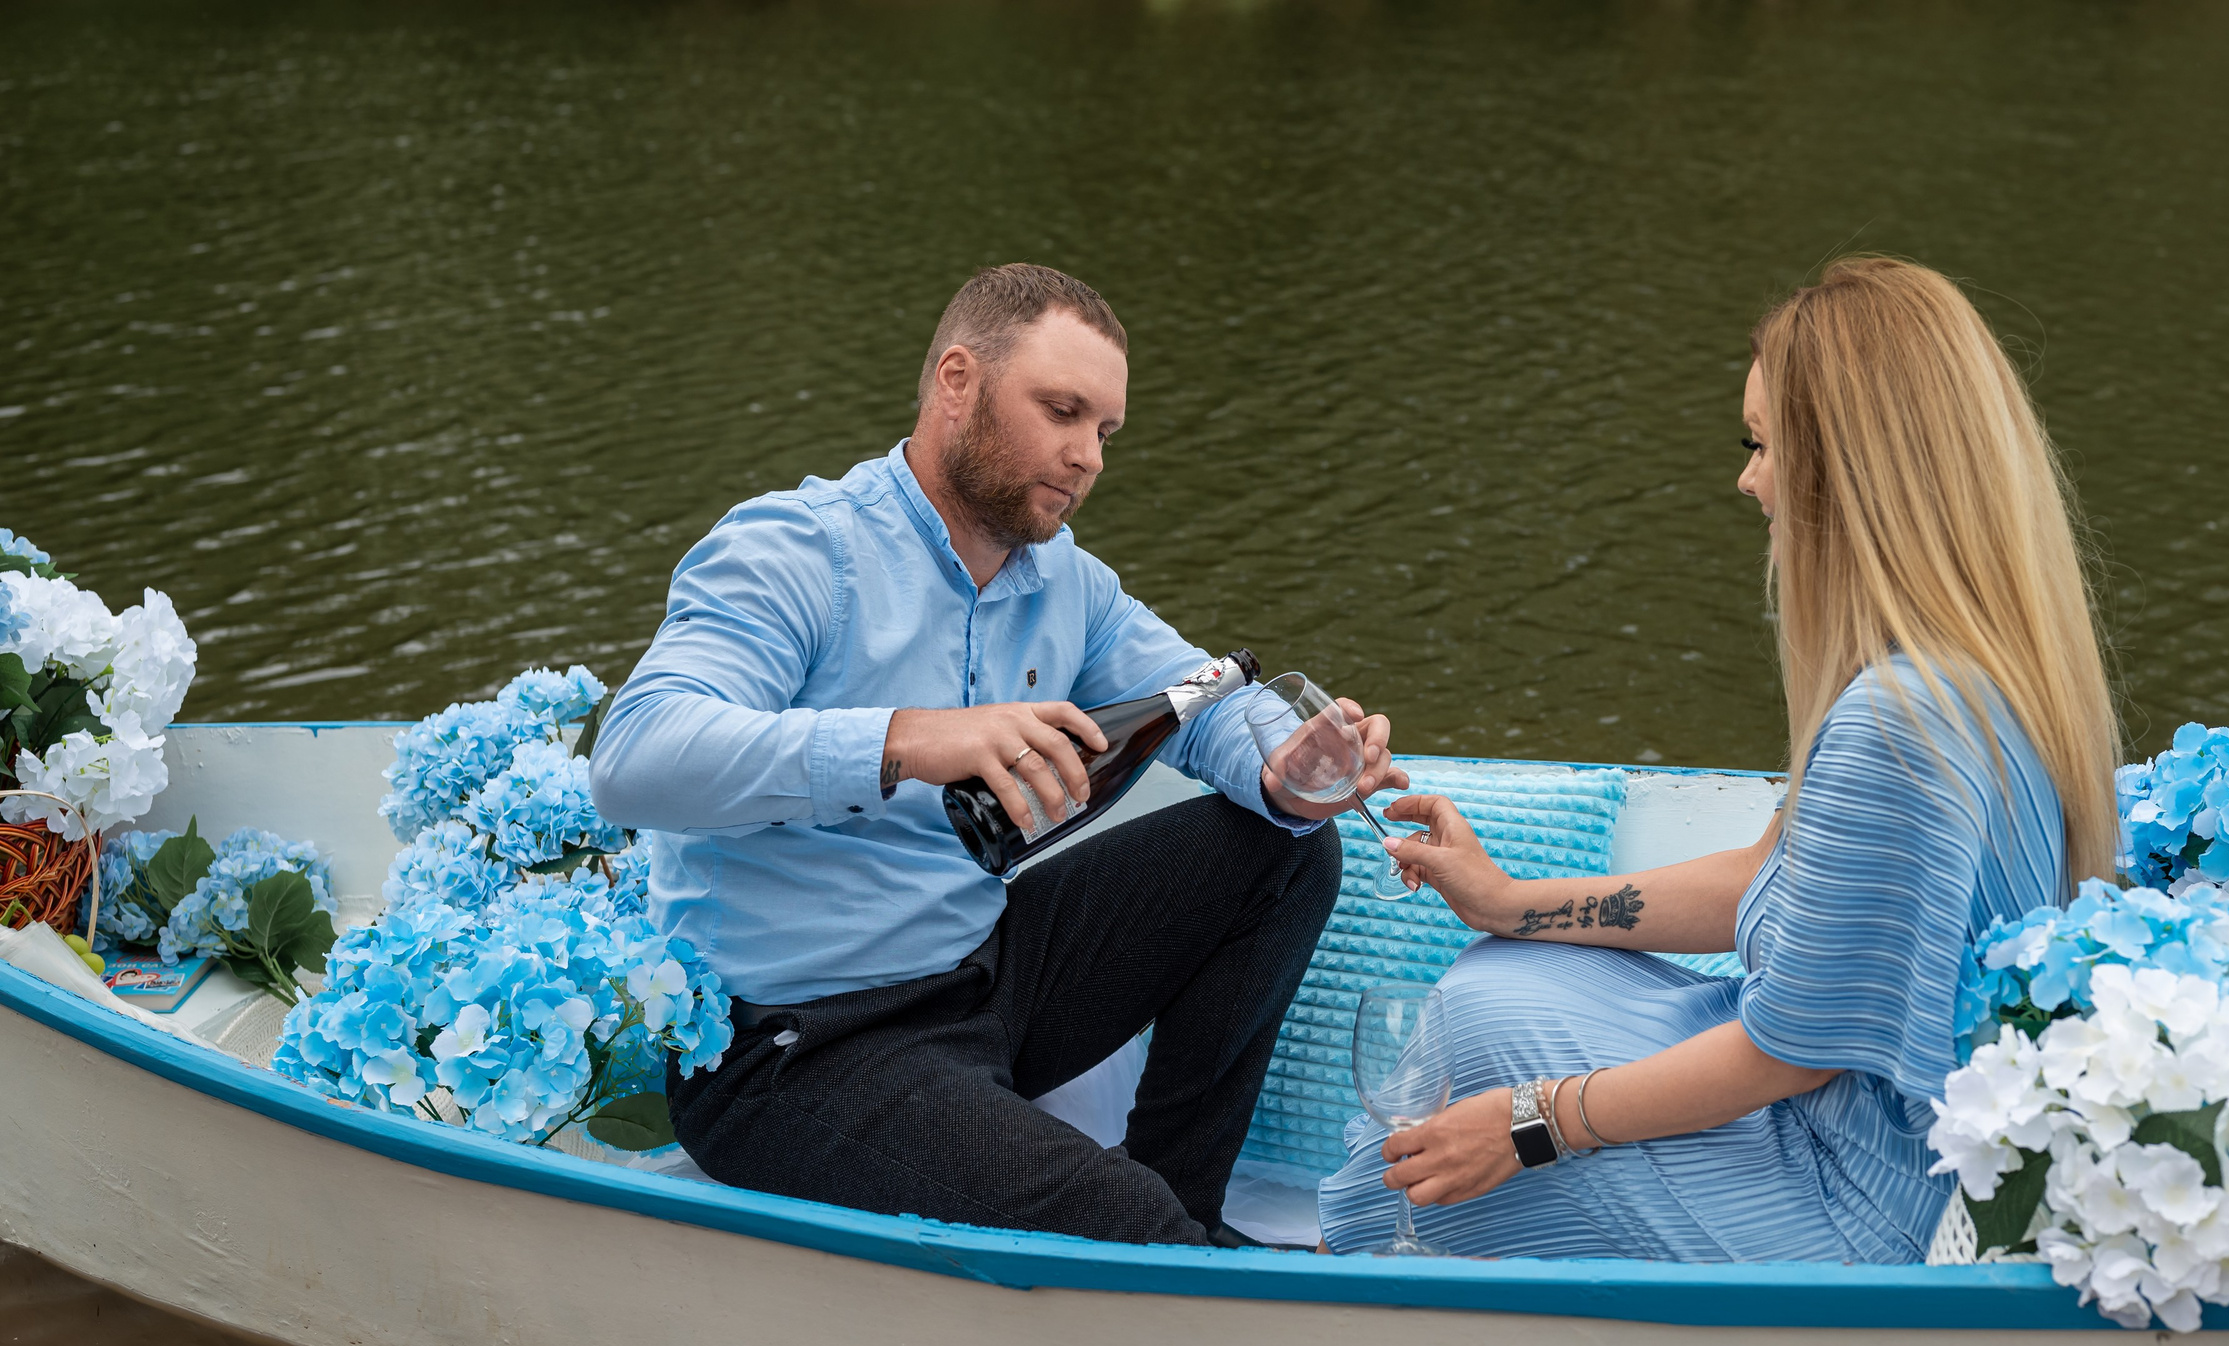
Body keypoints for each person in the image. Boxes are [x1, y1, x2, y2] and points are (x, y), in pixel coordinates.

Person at [1320, 256, 2118, 1261]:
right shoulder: (1972, 664)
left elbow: (1786, 1050)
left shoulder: (1898, 722)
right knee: (1503, 971)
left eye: (1761, 445)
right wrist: (1508, 899)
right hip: (1853, 1127)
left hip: (1852, 1200)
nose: (1746, 479)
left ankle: (1362, 1296)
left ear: (1852, 470)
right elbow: (1758, 875)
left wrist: (1534, 1122)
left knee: (1483, 1053)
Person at [590, 263, 1402, 1248]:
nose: (1086, 456)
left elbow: (1202, 700)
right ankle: (1169, 1247)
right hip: (790, 1048)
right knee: (1118, 1218)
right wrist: (906, 738)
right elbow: (634, 757)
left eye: (1104, 431)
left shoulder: (1071, 583)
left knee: (1284, 850)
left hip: (980, 976)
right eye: (1061, 411)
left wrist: (1294, 765)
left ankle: (1190, 1210)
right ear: (957, 381)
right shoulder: (794, 550)